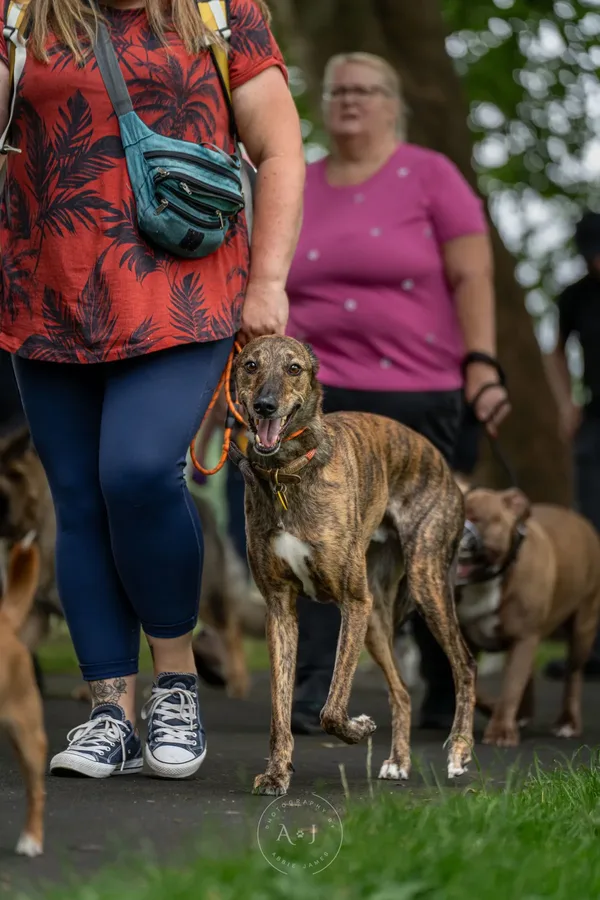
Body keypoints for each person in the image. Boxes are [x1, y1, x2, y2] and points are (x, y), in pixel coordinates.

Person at [0, 0, 304, 778]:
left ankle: (176, 683)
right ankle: (111, 713)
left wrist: (268, 279)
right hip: (47, 291)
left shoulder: (219, 10)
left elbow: (280, 149)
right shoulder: (22, 13)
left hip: (186, 290)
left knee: (135, 474)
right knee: (76, 496)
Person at [284, 52, 510, 734]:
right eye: (337, 89)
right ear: (322, 103)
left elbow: (474, 277)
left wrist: (483, 364)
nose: (350, 100)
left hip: (421, 390)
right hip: (320, 400)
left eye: (366, 90)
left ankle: (447, 690)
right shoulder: (299, 182)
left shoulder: (431, 175)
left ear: (393, 103)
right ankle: (319, 691)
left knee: (423, 542)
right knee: (321, 538)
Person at [545, 210, 600, 680]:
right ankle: (591, 647)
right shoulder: (575, 296)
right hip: (595, 421)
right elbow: (557, 351)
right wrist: (567, 405)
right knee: (592, 527)